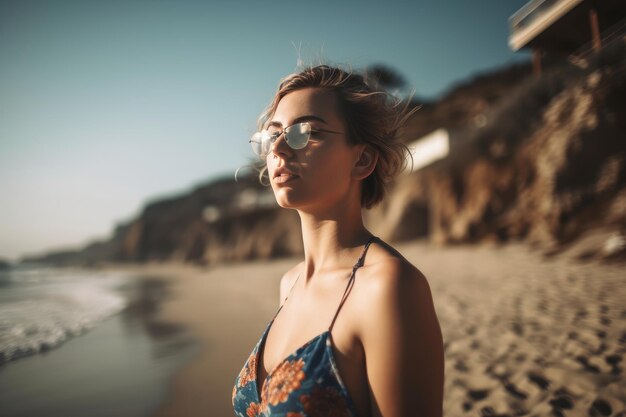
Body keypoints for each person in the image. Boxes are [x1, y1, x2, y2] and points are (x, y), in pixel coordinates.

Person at [232, 65, 444, 417]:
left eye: (305, 132)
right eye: (273, 135)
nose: (280, 149)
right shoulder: (290, 283)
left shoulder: (388, 286)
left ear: (361, 159)